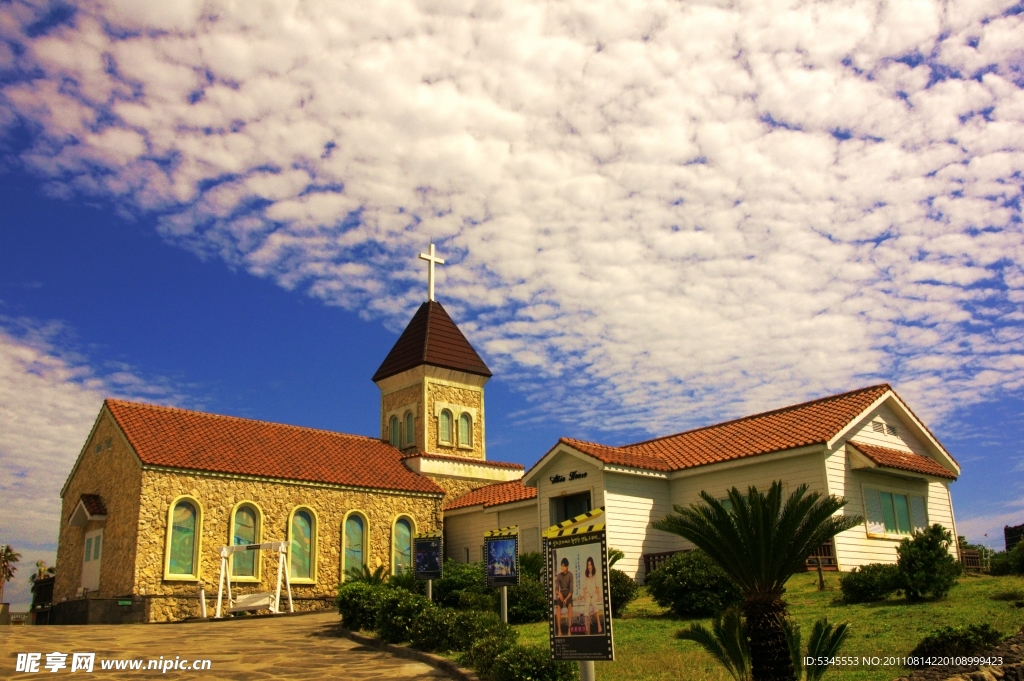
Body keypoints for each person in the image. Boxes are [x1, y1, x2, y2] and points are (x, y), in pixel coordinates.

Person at [581, 556, 603, 634]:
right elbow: (584, 587)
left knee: (594, 603)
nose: (589, 566)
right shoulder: (585, 574)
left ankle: (599, 624)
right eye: (588, 565)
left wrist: (599, 595)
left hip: (594, 594)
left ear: (592, 565)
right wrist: (584, 596)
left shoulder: (595, 574)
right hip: (587, 594)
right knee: (587, 603)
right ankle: (585, 624)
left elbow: (597, 586)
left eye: (590, 564)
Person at [553, 557, 574, 636]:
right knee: (558, 607)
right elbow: (556, 590)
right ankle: (559, 630)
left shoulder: (570, 575)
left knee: (569, 606)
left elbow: (571, 591)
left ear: (567, 567)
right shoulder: (559, 576)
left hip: (568, 595)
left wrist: (566, 599)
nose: (562, 567)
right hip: (561, 595)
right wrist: (559, 594)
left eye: (563, 566)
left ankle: (569, 629)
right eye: (561, 566)